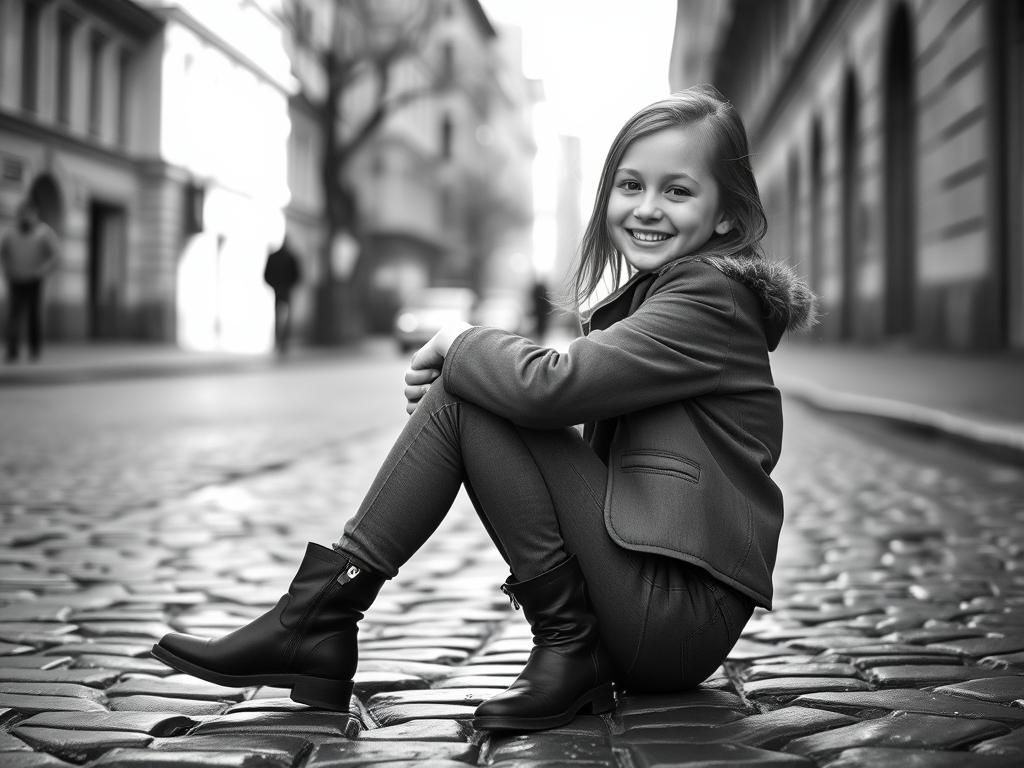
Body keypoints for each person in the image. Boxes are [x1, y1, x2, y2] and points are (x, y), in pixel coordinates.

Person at [152, 85, 816, 732]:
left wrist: (460, 341)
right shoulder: (677, 294)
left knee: (472, 390)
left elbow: (552, 387)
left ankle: (321, 622)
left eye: (678, 191)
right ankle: (533, 639)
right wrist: (477, 374)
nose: (646, 208)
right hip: (651, 597)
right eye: (630, 184)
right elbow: (548, 403)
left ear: (727, 215)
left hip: (674, 616)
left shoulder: (708, 298)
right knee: (476, 393)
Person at [1, 201, 60, 363]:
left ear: (35, 215)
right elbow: (3, 253)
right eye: (23, 214)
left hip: (34, 280)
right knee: (13, 315)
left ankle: (34, 350)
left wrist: (43, 270)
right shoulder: (10, 233)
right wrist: (6, 269)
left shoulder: (44, 233)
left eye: (29, 214)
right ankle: (12, 351)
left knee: (34, 315)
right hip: (15, 278)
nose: (26, 217)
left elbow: (55, 255)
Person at [263, 236, 302, 354]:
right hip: (284, 289)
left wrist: (275, 285)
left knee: (280, 314)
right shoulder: (290, 257)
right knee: (286, 315)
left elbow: (266, 275)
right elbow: (297, 275)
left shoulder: (279, 257)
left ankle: (280, 339)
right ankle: (283, 340)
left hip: (280, 289)